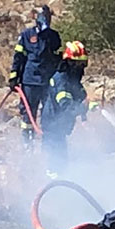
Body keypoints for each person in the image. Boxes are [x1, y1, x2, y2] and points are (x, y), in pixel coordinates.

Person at [8, 4, 62, 143]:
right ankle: (28, 143)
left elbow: (57, 57)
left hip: (48, 81)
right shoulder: (27, 35)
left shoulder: (53, 36)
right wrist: (14, 77)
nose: (46, 19)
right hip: (30, 81)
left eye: (48, 16)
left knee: (49, 112)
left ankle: (48, 143)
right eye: (43, 16)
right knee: (28, 114)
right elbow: (19, 57)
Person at [41, 40, 89, 176]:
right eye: (78, 63)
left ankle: (58, 181)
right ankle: (51, 184)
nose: (81, 67)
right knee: (55, 162)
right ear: (69, 62)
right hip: (52, 126)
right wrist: (82, 108)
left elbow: (80, 95)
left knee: (62, 162)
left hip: (60, 127)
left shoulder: (71, 79)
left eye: (83, 63)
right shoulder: (61, 79)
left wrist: (87, 108)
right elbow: (66, 105)